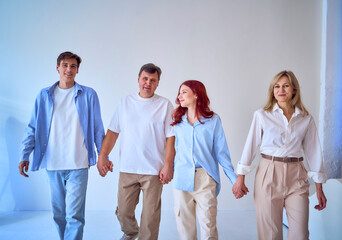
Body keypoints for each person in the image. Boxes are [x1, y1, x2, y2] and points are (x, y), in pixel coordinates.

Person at [19, 51, 106, 240]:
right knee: (58, 215)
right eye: (65, 65)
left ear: (77, 70)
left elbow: (98, 127)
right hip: (53, 164)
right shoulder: (44, 95)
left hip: (79, 164)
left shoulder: (88, 94)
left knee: (74, 216)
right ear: (57, 67)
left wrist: (102, 155)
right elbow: (33, 126)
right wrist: (25, 154)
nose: (69, 69)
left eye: (73, 66)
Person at [233, 70, 327, 240]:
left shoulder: (306, 118)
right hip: (269, 171)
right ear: (272, 90)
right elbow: (250, 145)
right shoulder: (262, 115)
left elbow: (313, 152)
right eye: (276, 86)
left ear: (294, 90)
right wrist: (240, 177)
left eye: (285, 86)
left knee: (300, 234)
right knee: (270, 234)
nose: (280, 90)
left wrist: (319, 187)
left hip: (297, 174)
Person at [97, 63, 175, 240]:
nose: (148, 83)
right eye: (145, 79)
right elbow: (112, 132)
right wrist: (102, 156)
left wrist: (168, 165)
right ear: (138, 79)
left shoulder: (165, 105)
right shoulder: (125, 102)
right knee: (124, 212)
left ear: (157, 83)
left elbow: (171, 138)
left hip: (154, 170)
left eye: (153, 80)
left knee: (150, 217)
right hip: (128, 167)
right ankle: (131, 232)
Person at [171, 80, 238, 240]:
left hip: (205, 178)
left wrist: (234, 180)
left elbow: (221, 152)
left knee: (208, 228)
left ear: (196, 94)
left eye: (184, 92)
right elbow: (173, 150)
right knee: (185, 230)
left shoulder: (213, 120)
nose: (179, 96)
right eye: (179, 92)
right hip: (181, 179)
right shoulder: (177, 121)